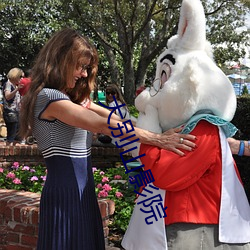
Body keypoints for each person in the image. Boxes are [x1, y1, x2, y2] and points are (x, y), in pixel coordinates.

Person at [19, 28, 196, 250]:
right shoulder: (49, 97)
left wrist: (157, 128)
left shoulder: (70, 100)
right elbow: (104, 125)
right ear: (61, 60)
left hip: (82, 190)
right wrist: (158, 139)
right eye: (80, 66)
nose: (83, 74)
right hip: (66, 192)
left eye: (86, 68)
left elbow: (117, 120)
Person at [3, 68, 24, 146]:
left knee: (17, 136)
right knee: (11, 135)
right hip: (10, 112)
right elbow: (7, 96)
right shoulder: (8, 84)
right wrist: (17, 89)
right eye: (20, 76)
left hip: (16, 112)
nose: (22, 79)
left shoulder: (15, 85)